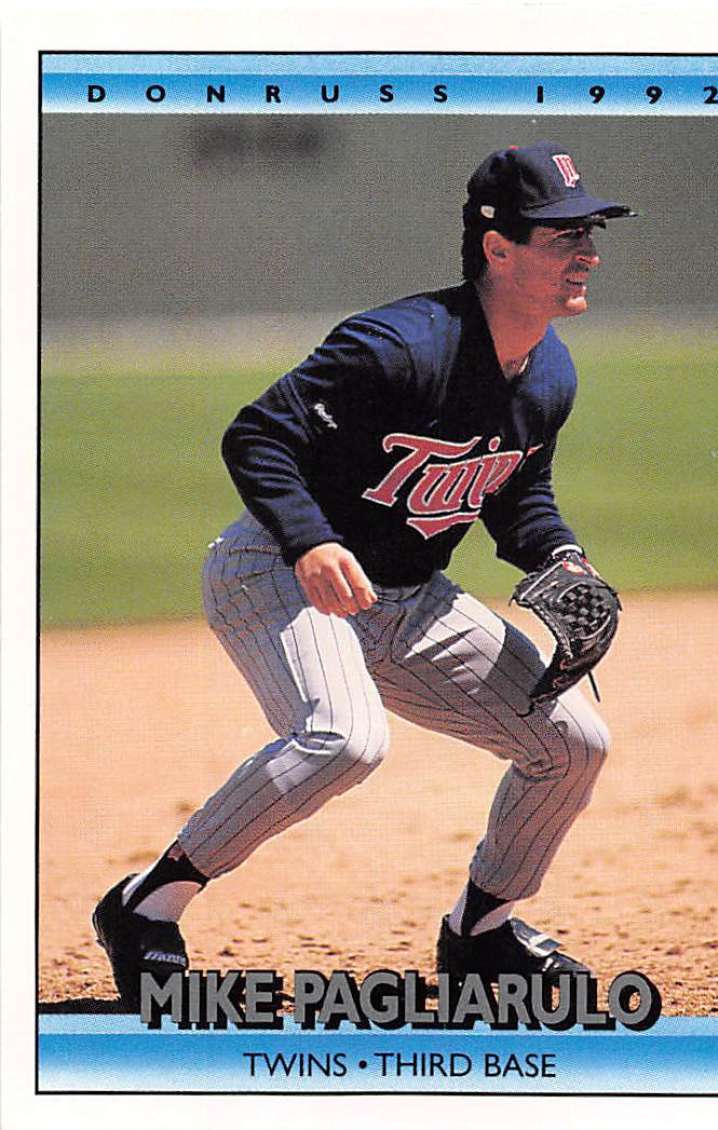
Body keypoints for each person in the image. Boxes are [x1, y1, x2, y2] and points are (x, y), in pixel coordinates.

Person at [93, 140, 634, 1010]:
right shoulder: (400, 344)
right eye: (564, 235)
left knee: (573, 744)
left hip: (406, 600)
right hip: (276, 569)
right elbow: (259, 436)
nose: (588, 254)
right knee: (344, 738)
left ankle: (482, 932)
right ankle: (145, 905)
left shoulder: (550, 373)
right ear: (498, 249)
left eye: (591, 232)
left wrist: (561, 555)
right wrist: (309, 539)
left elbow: (516, 486)